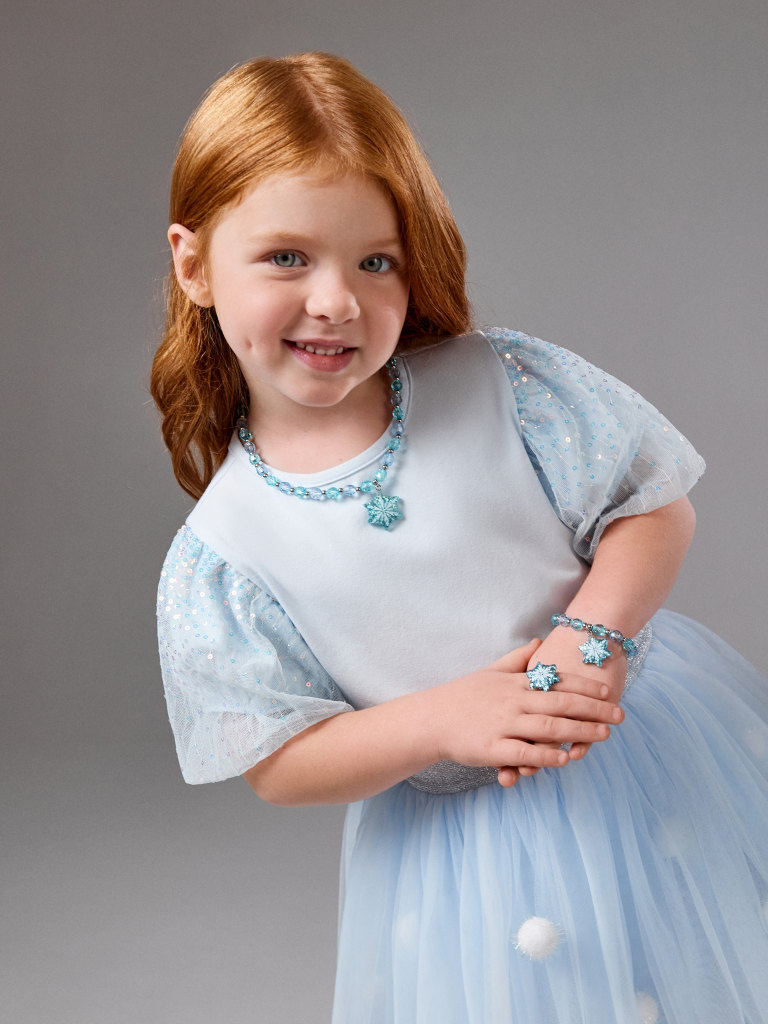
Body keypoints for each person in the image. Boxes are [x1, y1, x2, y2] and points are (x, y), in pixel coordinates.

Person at [151, 52, 768, 1024]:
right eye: (286, 258)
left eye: (376, 261)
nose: (335, 300)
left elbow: (653, 506)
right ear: (194, 265)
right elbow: (279, 760)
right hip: (464, 857)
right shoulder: (227, 549)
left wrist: (591, 635)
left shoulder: (498, 385)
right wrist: (443, 722)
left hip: (640, 758)